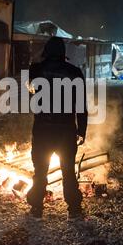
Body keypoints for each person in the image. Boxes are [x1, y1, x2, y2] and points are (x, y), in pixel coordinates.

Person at [26, 37, 88, 222]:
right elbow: (81, 105)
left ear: (46, 50)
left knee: (40, 170)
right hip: (66, 130)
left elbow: (29, 90)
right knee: (68, 170)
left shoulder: (36, 70)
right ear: (63, 52)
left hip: (42, 130)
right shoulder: (74, 72)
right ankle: (74, 209)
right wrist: (82, 130)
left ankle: (36, 208)